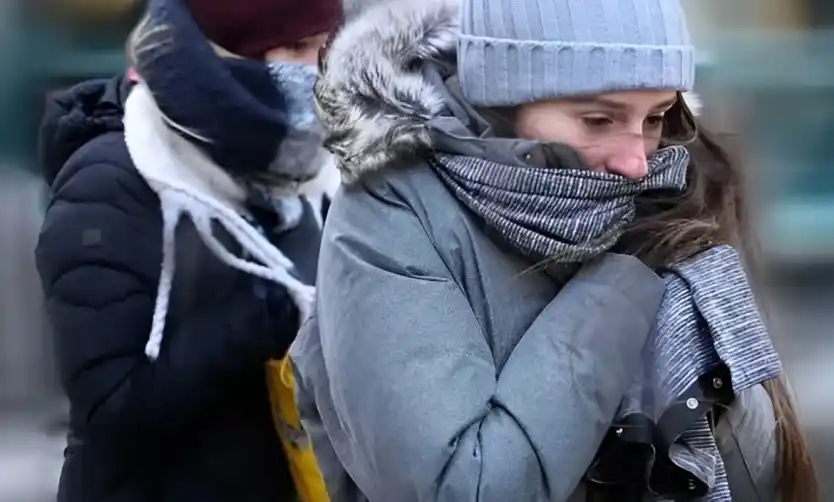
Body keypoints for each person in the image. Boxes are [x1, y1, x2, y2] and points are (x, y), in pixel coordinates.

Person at [290, 0, 819, 501]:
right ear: (503, 99)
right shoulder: (390, 214)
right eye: (598, 120)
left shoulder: (670, 194)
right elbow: (466, 486)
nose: (637, 162)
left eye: (655, 118)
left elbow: (761, 466)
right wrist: (618, 286)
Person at [34, 0, 341, 500]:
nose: (320, 69)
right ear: (232, 54)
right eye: (300, 47)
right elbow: (111, 410)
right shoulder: (111, 183)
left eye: (327, 46)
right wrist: (262, 315)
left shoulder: (313, 174)